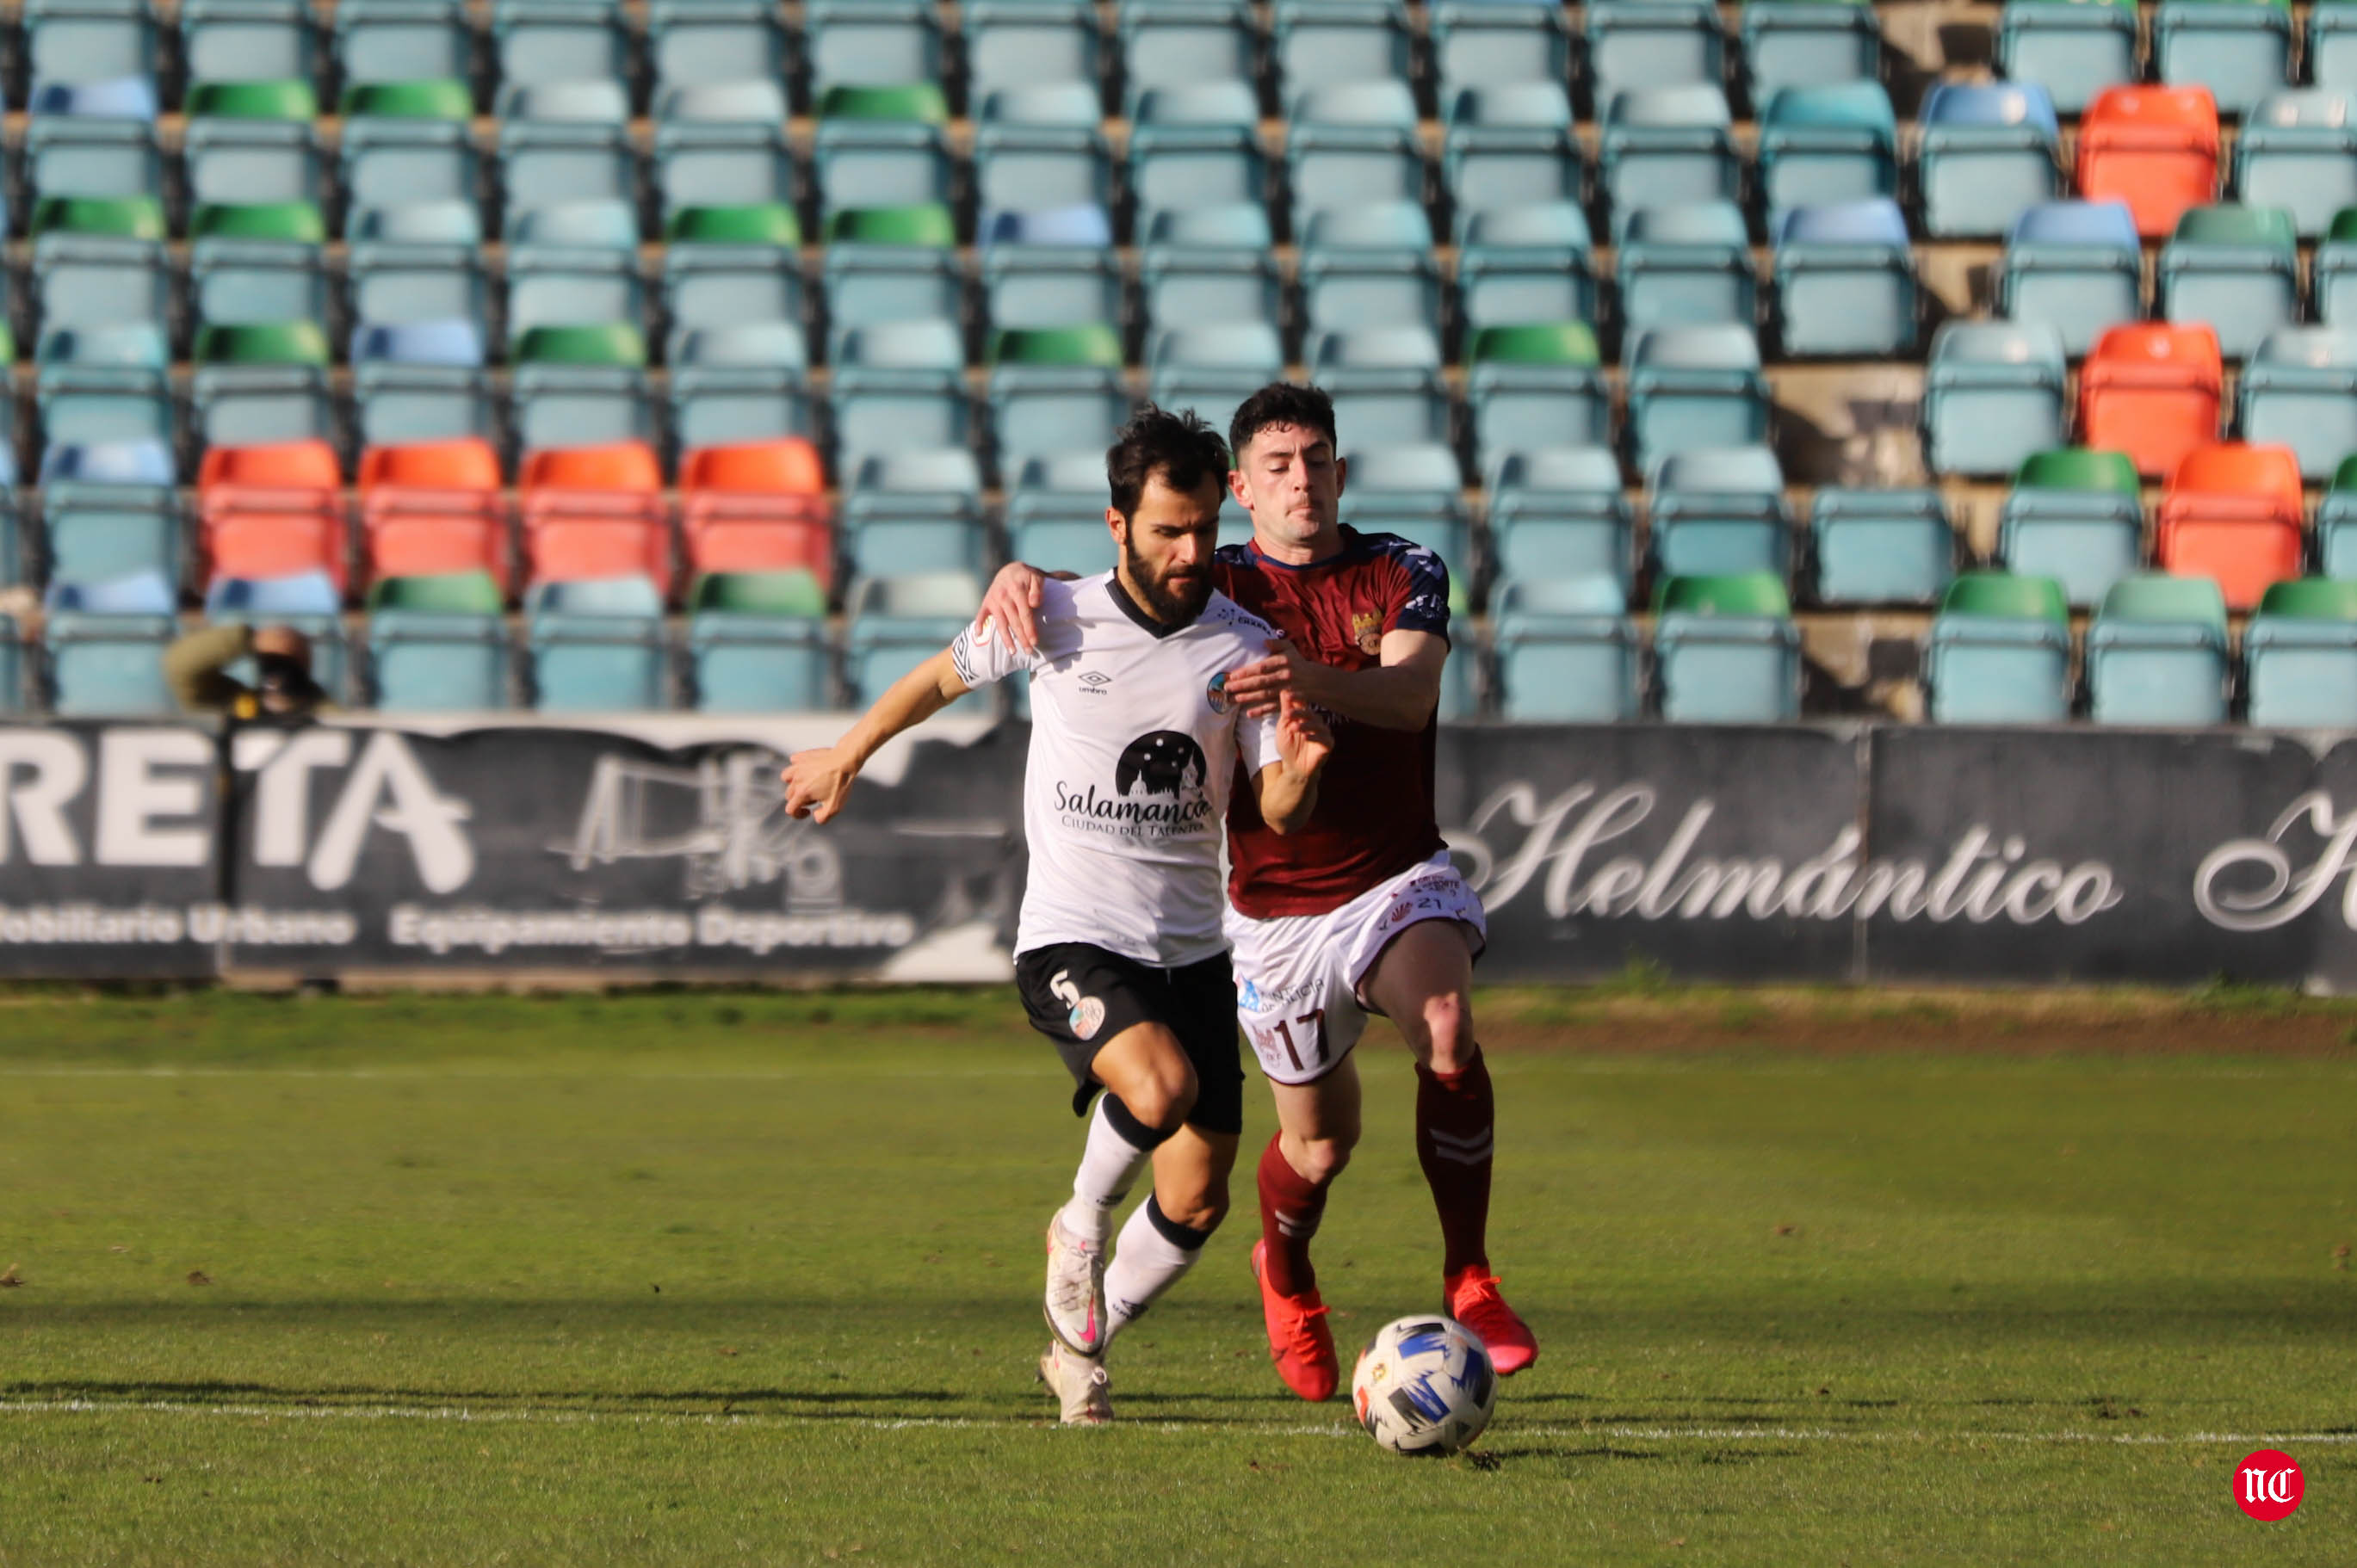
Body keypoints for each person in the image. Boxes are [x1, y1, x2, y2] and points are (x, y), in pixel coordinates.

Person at [978, 381, 1539, 1403]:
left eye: (1317, 459)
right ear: (1239, 487)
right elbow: (1106, 590)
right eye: (1276, 465)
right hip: (1272, 914)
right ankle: (1282, 1267)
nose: (1301, 480)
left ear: (1339, 470)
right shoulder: (1212, 577)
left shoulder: (1400, 566)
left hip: (1390, 877)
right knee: (1314, 1148)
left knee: (1447, 1028)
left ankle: (1470, 1275)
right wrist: (1019, 575)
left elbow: (1411, 696)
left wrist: (1303, 678)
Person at [783, 407, 1334, 1424]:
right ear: (1116, 523)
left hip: (1192, 950)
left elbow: (1274, 811)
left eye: (1204, 528)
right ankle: (1076, 1220)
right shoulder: (1053, 615)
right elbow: (938, 679)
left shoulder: (1248, 644)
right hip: (1072, 938)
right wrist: (846, 752)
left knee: (1199, 1195)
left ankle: (1080, 1345)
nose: (1189, 551)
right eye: (1167, 529)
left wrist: (1297, 775)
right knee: (1158, 1084)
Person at [164, 622, 334, 719]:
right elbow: (179, 665)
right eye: (272, 661)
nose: (279, 671)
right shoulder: (230, 706)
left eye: (289, 662)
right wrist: (248, 641)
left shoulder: (326, 716)